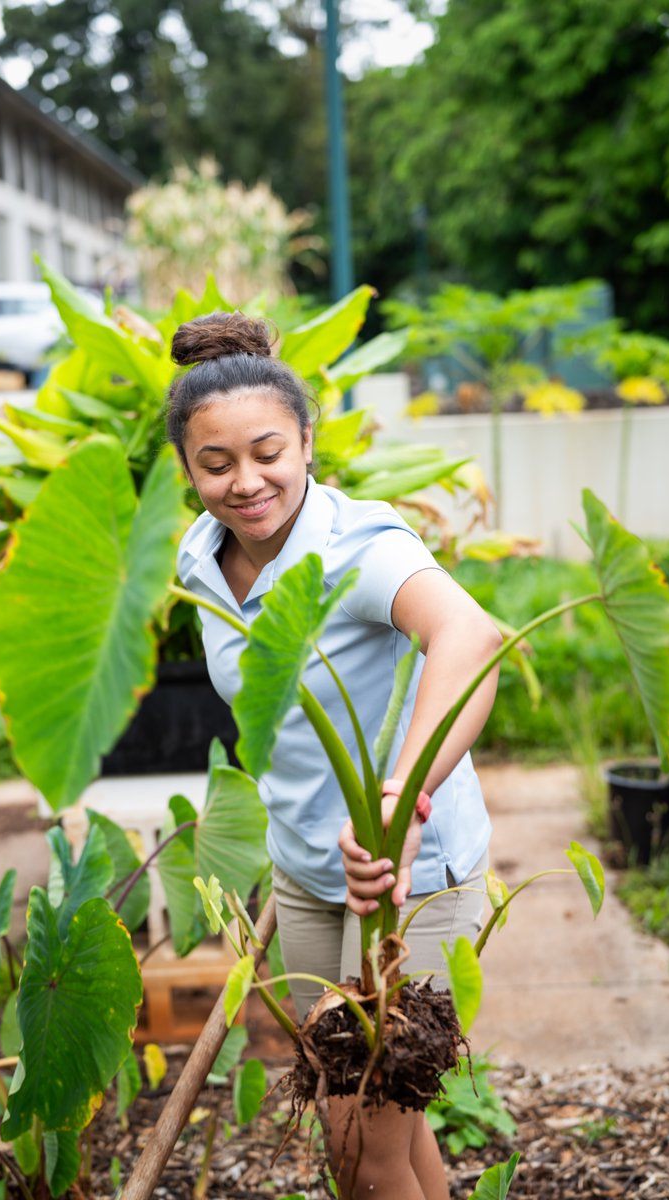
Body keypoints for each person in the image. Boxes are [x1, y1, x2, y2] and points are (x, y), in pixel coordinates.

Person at [168, 310, 502, 1200]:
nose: (247, 483)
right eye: (216, 464)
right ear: (187, 470)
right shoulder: (197, 559)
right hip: (306, 872)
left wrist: (400, 795)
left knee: (360, 1152)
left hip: (402, 868)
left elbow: (471, 637)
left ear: (308, 442)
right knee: (389, 1128)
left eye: (268, 452)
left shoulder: (360, 546)